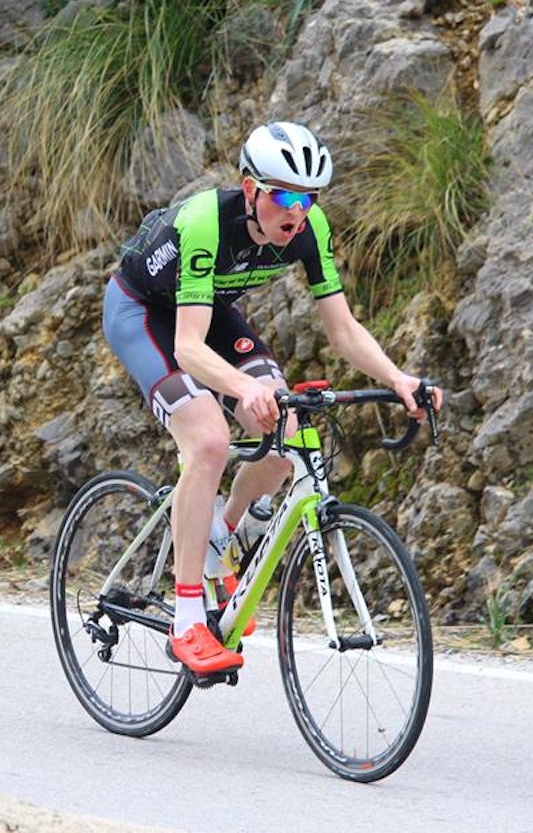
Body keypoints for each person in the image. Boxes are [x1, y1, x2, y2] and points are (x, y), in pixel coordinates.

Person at [102, 121, 442, 676]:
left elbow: (344, 330)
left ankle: (224, 534)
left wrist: (399, 378)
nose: (298, 211)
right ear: (251, 188)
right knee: (209, 440)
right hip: (142, 314)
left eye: (309, 198)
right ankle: (188, 617)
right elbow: (187, 347)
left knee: (286, 436)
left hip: (208, 309)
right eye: (284, 195)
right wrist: (242, 386)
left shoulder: (310, 230)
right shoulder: (207, 221)